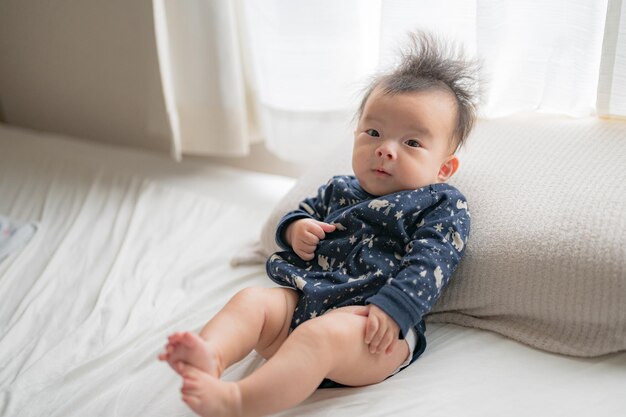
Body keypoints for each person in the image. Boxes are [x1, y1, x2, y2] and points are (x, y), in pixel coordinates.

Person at [158, 31, 479, 417]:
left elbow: (433, 261)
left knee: (319, 337)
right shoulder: (340, 189)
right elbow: (300, 213)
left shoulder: (439, 202)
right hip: (305, 299)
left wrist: (395, 308)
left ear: (444, 167)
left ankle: (239, 401)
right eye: (373, 132)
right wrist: (296, 230)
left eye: (411, 143)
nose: (385, 148)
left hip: (370, 330)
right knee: (253, 301)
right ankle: (210, 355)